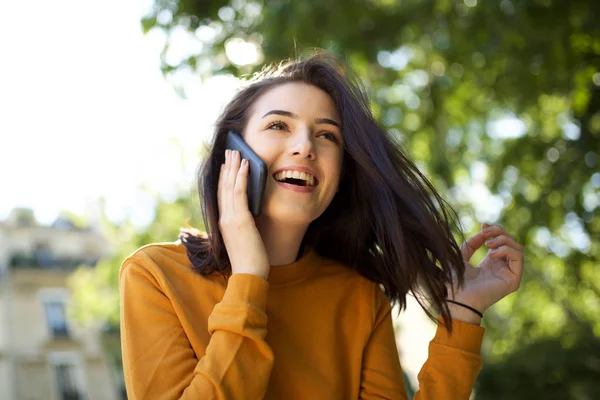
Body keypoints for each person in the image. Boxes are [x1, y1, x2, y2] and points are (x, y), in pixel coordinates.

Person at [119, 51, 524, 399]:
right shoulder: (155, 275)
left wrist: (464, 312)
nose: (305, 146)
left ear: (340, 174)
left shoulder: (361, 300)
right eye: (279, 125)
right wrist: (249, 280)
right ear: (233, 152)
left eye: (327, 135)